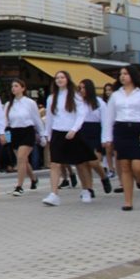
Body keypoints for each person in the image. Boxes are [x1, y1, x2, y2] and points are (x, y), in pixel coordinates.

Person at [103, 65, 140, 211]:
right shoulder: (116, 95)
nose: (122, 76)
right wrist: (107, 138)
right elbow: (109, 118)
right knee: (125, 167)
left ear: (132, 75)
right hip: (121, 131)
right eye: (121, 74)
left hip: (138, 131)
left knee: (138, 167)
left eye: (125, 73)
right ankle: (128, 201)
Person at [42, 71, 92, 207]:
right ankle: (54, 194)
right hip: (57, 132)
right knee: (55, 164)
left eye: (62, 77)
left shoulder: (75, 96)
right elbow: (50, 117)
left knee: (80, 164)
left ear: (67, 80)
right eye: (57, 78)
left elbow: (82, 113)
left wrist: (74, 129)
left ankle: (86, 190)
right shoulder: (51, 98)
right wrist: (48, 134)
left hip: (72, 133)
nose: (59, 80)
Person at [4, 78, 43, 197]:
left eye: (16, 86)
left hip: (27, 131)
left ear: (22, 88)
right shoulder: (8, 104)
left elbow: (36, 119)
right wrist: (3, 134)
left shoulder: (30, 103)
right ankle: (33, 178)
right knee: (23, 160)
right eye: (12, 86)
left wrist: (43, 134)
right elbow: (5, 121)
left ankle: (19, 186)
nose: (13, 88)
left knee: (21, 158)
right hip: (14, 132)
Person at [77, 79, 114, 196]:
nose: (82, 91)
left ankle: (104, 177)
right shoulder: (78, 102)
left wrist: (105, 138)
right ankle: (89, 188)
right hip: (81, 133)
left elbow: (105, 122)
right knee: (83, 163)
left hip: (95, 133)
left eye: (84, 88)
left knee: (93, 162)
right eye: (80, 88)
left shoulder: (99, 103)